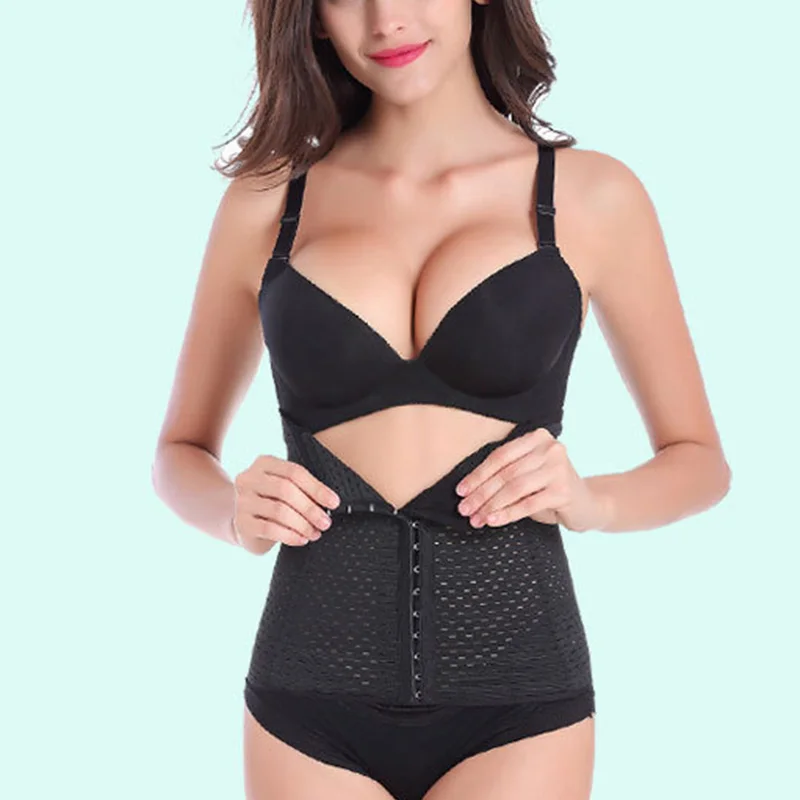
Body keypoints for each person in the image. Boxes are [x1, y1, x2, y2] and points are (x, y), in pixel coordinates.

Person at [151, 1, 731, 798]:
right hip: (308, 691)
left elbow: (700, 462)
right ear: (312, 18)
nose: (387, 20)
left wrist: (590, 500)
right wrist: (230, 511)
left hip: (519, 698)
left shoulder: (593, 196)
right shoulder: (268, 202)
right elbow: (178, 451)